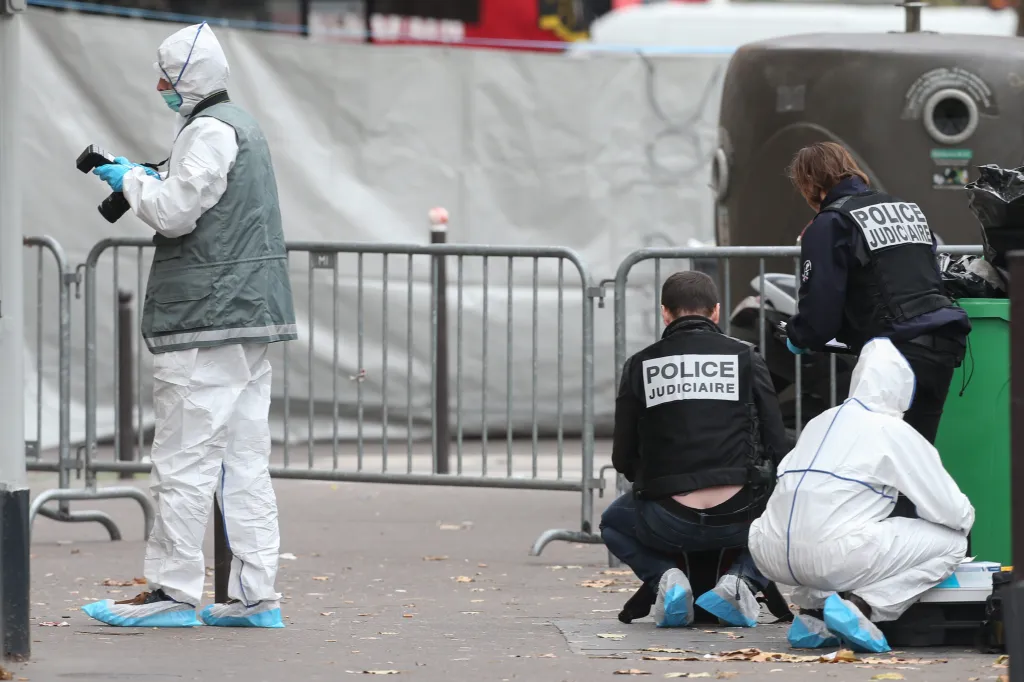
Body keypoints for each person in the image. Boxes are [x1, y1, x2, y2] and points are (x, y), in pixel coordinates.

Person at [81, 22, 297, 629]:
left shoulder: (207, 131)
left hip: (204, 320)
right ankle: (257, 598)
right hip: (251, 318)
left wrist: (129, 179)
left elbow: (176, 214)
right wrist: (147, 175)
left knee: (182, 460)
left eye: (167, 78)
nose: (160, 87)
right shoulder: (243, 127)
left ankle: (173, 594)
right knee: (244, 462)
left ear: (189, 80)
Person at [749, 338, 974, 653]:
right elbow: (948, 507)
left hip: (768, 550)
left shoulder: (820, 421)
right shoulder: (891, 430)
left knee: (819, 526)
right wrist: (965, 521)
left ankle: (813, 616)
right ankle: (861, 608)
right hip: (831, 552)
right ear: (901, 389)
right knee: (952, 544)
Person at [600, 271, 789, 629]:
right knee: (789, 520)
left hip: (666, 518)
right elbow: (777, 443)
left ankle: (667, 579)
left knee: (612, 523)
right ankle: (740, 581)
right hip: (741, 516)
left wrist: (654, 482)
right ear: (716, 312)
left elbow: (621, 457)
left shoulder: (640, 365)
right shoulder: (746, 357)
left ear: (665, 313)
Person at [784, 142, 970, 447]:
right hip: (944, 345)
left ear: (811, 184)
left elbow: (821, 310)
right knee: (914, 463)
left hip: (896, 354)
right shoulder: (905, 209)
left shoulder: (831, 223)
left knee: (873, 464)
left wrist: (800, 336)